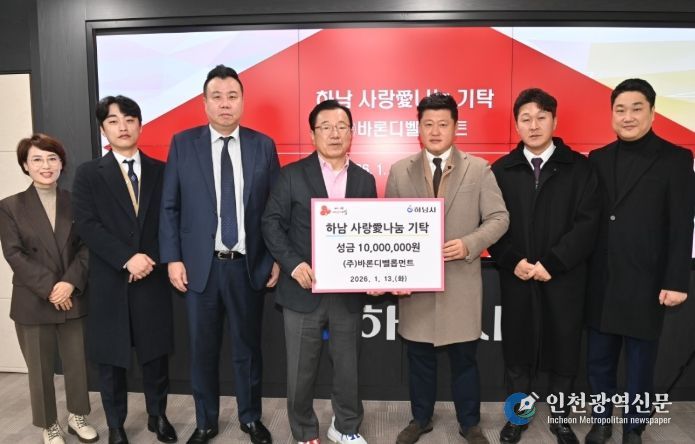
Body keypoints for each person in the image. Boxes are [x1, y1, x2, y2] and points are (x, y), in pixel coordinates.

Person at [159, 64, 280, 444]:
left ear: (242, 101)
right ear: (205, 102)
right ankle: (206, 422)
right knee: (203, 351)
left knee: (248, 350)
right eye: (217, 97)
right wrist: (173, 258)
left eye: (232, 96)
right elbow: (170, 206)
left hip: (248, 266)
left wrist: (275, 257)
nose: (225, 104)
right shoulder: (183, 144)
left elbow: (275, 209)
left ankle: (250, 418)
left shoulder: (263, 145)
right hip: (201, 268)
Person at [385, 92, 509, 444]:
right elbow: (388, 226)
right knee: (419, 358)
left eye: (443, 124)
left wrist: (469, 243)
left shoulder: (478, 168)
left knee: (465, 360)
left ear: (456, 127)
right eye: (428, 124)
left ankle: (469, 423)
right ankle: (420, 419)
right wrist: (395, 274)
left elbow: (499, 218)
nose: (435, 131)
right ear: (419, 128)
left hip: (460, 283)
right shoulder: (400, 170)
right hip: (416, 286)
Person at [584, 78, 694, 444]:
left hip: (648, 282)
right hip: (603, 279)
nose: (627, 116)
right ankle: (601, 421)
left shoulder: (676, 159)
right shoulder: (598, 159)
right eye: (620, 109)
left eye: (636, 109)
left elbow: (682, 224)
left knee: (640, 364)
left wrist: (676, 280)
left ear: (652, 112)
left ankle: (634, 426)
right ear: (611, 114)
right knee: (599, 360)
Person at [488, 88, 601, 444]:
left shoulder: (580, 168)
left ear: (554, 120)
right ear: (516, 124)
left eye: (541, 117)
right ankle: (517, 418)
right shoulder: (501, 170)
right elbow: (490, 223)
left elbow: (588, 224)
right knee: (517, 354)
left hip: (564, 277)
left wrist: (553, 262)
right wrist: (512, 260)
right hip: (517, 276)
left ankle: (561, 420)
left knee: (564, 351)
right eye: (526, 119)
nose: (533, 125)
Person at [262, 100, 377, 444]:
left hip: (347, 292)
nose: (334, 133)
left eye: (341, 126)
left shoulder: (365, 180)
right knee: (301, 369)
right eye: (325, 127)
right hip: (302, 290)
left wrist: (374, 275)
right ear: (313, 135)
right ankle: (304, 431)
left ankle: (346, 427)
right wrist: (293, 264)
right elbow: (271, 223)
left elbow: (372, 234)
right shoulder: (292, 175)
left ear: (352, 133)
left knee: (348, 368)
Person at [72, 95, 176, 444]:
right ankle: (116, 424)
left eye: (130, 120)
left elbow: (171, 220)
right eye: (114, 121)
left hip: (152, 278)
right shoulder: (89, 173)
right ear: (103, 129)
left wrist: (148, 258)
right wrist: (127, 258)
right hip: (110, 280)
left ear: (140, 125)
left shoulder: (162, 170)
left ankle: (158, 416)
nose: (123, 127)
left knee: (155, 356)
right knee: (111, 361)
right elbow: (87, 225)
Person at [0, 134, 97, 444]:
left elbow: (88, 247)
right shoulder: (10, 206)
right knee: (40, 370)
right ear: (25, 166)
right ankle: (49, 424)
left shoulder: (77, 201)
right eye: (37, 159)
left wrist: (69, 283)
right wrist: (52, 288)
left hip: (72, 294)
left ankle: (78, 416)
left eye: (52, 158)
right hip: (33, 298)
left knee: (77, 362)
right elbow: (14, 254)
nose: (46, 165)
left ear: (61, 164)